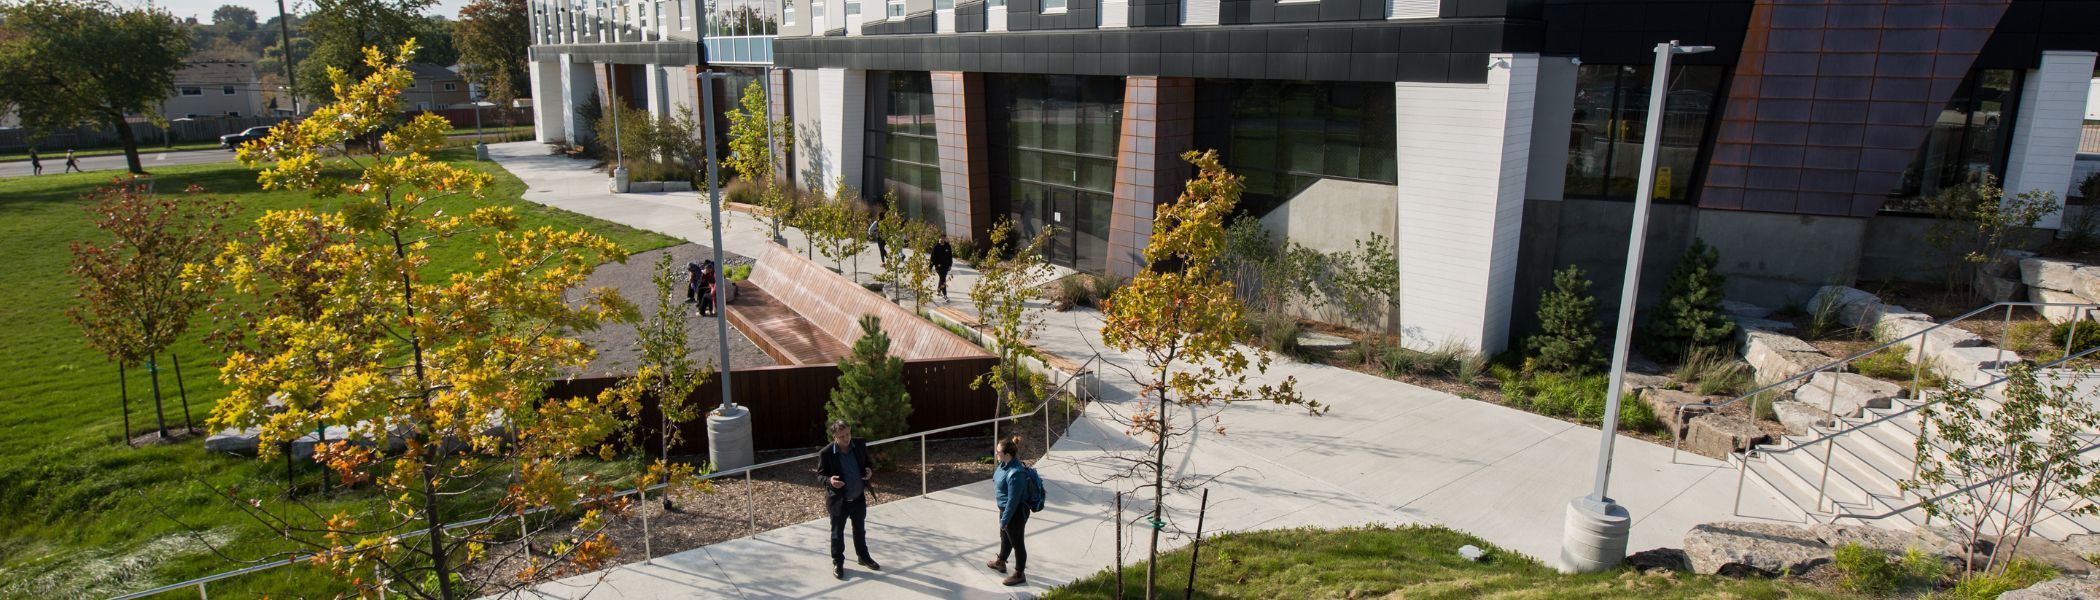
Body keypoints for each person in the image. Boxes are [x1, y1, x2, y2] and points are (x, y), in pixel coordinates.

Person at [818, 420, 879, 580]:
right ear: (834, 437)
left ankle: (863, 557)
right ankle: (838, 562)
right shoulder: (826, 453)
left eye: (848, 434)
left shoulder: (859, 444)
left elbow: (867, 463)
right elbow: (820, 475)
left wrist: (869, 471)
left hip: (858, 497)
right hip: (839, 501)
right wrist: (830, 481)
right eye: (842, 436)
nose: (846, 438)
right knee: (837, 534)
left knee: (860, 530)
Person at [985, 435, 1043, 586]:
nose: (996, 453)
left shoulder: (1016, 473)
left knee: (1017, 543)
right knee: (1005, 537)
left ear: (1007, 454)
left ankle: (1019, 573)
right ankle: (1001, 562)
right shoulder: (1004, 465)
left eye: (998, 452)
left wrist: (1005, 520)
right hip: (1005, 510)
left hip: (1015, 513)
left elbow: (1013, 501)